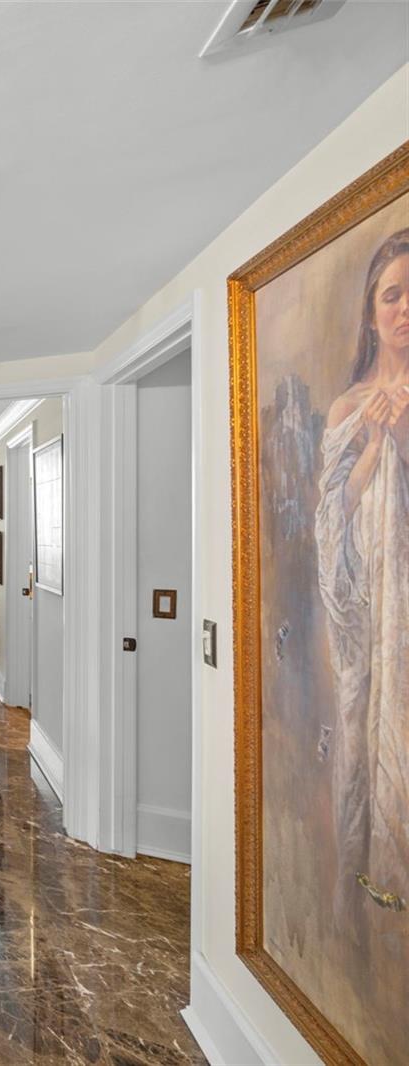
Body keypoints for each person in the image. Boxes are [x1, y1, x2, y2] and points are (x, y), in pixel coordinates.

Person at [315, 226, 409, 925]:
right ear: (372, 312)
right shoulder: (349, 408)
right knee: (363, 728)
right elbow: (332, 518)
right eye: (393, 295)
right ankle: (367, 892)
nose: (404, 309)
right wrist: (377, 445)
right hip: (368, 606)